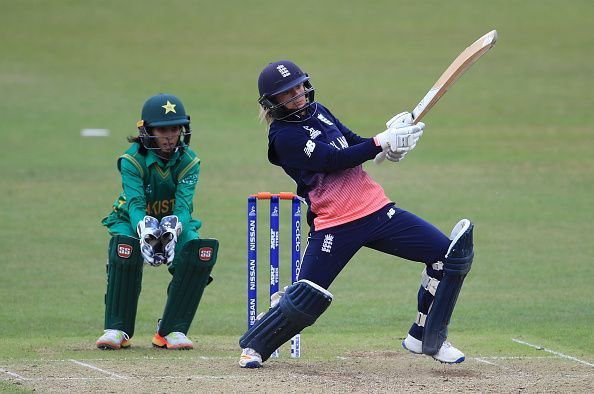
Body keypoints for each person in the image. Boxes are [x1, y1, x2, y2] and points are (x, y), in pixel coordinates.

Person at [238, 61, 474, 368]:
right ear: (273, 102)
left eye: (299, 86)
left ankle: (427, 337)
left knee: (447, 257)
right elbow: (333, 159)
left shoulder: (319, 110)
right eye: (287, 93)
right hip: (335, 224)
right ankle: (255, 346)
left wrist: (388, 147)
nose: (297, 94)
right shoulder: (283, 137)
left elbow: (352, 143)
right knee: (305, 299)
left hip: (377, 210)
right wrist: (380, 141)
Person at [96, 93, 218, 350]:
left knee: (196, 254)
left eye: (175, 128)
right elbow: (135, 204)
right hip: (130, 218)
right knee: (125, 249)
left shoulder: (189, 161)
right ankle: (117, 329)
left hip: (172, 220)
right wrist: (145, 230)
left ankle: (171, 330)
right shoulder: (132, 160)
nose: (170, 135)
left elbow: (184, 206)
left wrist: (173, 229)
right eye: (162, 130)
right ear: (147, 131)